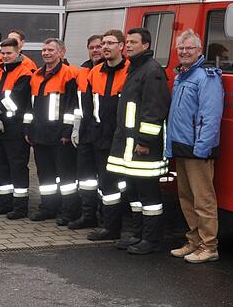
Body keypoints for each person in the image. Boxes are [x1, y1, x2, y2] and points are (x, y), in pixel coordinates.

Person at [106, 27, 171, 255]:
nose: (129, 45)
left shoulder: (151, 71)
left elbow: (155, 109)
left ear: (146, 45)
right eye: (128, 42)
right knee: (133, 192)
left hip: (144, 149)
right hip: (129, 146)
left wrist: (144, 141)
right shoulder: (135, 68)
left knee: (149, 196)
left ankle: (151, 239)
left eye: (134, 42)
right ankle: (137, 234)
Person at [166, 29, 224, 263]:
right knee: (186, 197)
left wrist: (202, 147)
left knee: (203, 200)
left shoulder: (206, 76)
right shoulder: (182, 75)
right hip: (182, 147)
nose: (184, 51)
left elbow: (210, 115)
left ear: (199, 50)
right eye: (181, 48)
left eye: (189, 48)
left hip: (197, 149)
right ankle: (194, 241)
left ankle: (209, 246)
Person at [23, 38, 79, 224]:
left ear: (62, 52)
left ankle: (69, 211)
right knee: (45, 175)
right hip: (39, 135)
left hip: (59, 136)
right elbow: (30, 107)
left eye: (50, 50)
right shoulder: (36, 76)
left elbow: (72, 107)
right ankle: (48, 207)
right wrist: (28, 129)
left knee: (66, 177)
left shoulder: (69, 74)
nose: (46, 53)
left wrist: (66, 132)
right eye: (44, 50)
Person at [84, 30, 131, 241]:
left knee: (121, 182)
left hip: (122, 137)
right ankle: (109, 226)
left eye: (110, 43)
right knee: (106, 183)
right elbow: (87, 106)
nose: (105, 47)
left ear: (121, 46)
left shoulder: (131, 71)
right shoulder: (94, 72)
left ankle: (120, 225)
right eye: (103, 43)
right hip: (100, 137)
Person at [0, 38, 35, 219]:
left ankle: (20, 207)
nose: (5, 56)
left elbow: (15, 100)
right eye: (3, 53)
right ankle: (4, 203)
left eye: (9, 53)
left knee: (17, 168)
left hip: (15, 128)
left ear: (18, 53)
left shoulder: (25, 73)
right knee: (1, 166)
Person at [68, 34, 104, 230]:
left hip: (102, 132)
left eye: (99, 46)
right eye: (92, 47)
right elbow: (78, 106)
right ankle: (88, 214)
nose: (96, 50)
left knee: (106, 181)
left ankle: (106, 217)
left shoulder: (111, 70)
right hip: (85, 132)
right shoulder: (83, 71)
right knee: (86, 177)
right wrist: (75, 127)